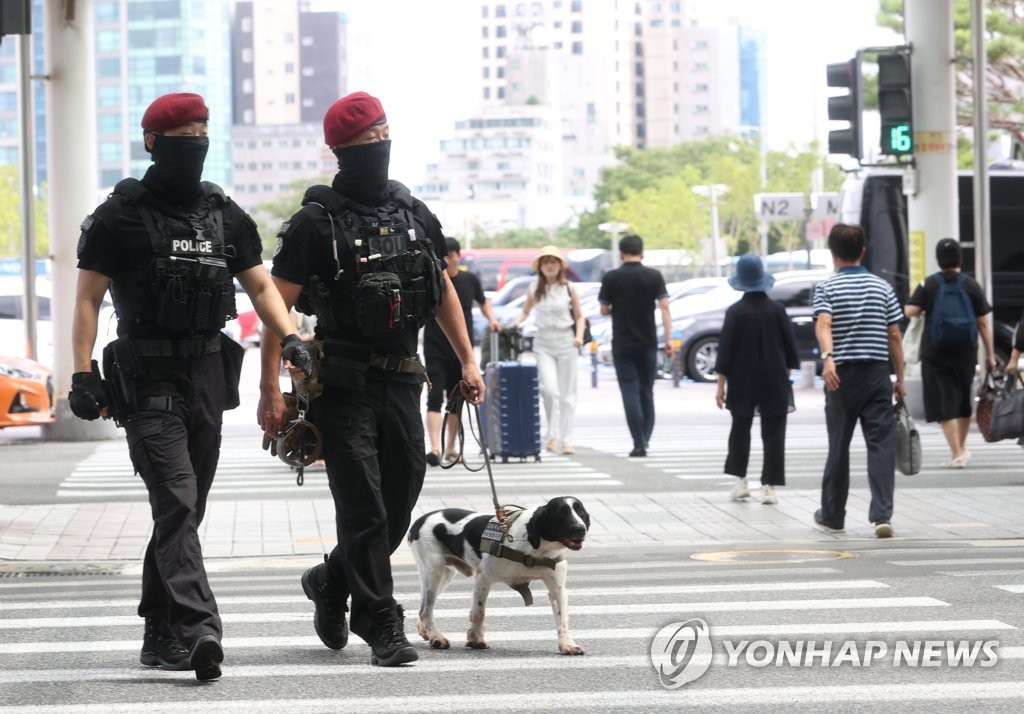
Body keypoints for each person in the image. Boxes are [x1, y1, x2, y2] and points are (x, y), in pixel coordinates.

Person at [69, 93, 311, 681]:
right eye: (182, 132)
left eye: (202, 129)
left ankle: (158, 631)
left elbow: (259, 288)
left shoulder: (222, 213)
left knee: (186, 508)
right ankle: (198, 628)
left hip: (206, 372)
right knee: (176, 499)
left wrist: (293, 338)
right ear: (153, 141)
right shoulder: (118, 215)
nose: (194, 140)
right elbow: (87, 298)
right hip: (146, 374)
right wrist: (79, 373)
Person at [256, 91, 484, 667]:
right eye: (366, 138)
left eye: (384, 132)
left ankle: (331, 580)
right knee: (363, 505)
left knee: (402, 497)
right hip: (341, 383)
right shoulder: (315, 223)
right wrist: (269, 390)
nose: (379, 143)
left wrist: (467, 361)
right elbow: (273, 308)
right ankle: (382, 622)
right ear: (341, 150)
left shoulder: (414, 213)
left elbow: (442, 292)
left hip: (405, 379)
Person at [812, 223, 905, 539]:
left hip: (841, 377)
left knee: (839, 445)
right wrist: (900, 378)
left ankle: (833, 515)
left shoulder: (827, 288)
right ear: (863, 251)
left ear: (832, 252)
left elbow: (824, 323)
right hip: (877, 374)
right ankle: (882, 515)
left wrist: (828, 357)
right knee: (881, 445)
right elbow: (894, 334)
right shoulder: (882, 288)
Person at [714, 254, 799, 505]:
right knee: (773, 432)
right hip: (774, 379)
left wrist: (720, 388)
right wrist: (784, 380)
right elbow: (790, 353)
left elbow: (725, 354)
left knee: (740, 430)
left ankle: (741, 482)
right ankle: (769, 486)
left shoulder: (735, 312)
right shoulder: (777, 310)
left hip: (742, 382)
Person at [905, 238, 995, 468]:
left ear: (938, 260)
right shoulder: (970, 285)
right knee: (963, 399)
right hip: (965, 351)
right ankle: (961, 449)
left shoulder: (929, 284)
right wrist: (991, 355)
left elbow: (910, 310)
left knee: (942, 402)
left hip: (935, 352)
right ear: (960, 259)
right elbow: (984, 323)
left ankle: (957, 452)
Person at [423, 237, 500, 465]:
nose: (447, 259)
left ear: (457, 256)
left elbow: (484, 301)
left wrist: (493, 320)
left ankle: (451, 448)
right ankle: (435, 448)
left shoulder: (469, 280)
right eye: (443, 255)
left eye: (450, 254)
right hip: (434, 346)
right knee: (434, 396)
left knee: (456, 398)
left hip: (460, 350)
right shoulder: (432, 277)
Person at [597, 234, 672, 457]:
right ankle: (645, 438)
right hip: (648, 342)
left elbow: (603, 310)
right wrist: (668, 340)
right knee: (646, 392)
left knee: (629, 392)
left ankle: (638, 442)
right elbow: (665, 308)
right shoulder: (654, 276)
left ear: (621, 254)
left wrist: (617, 309)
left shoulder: (611, 277)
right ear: (642, 252)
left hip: (622, 343)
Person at [509, 245, 586, 455]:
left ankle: (566, 439)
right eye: (546, 262)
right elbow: (525, 312)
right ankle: (551, 435)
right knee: (549, 390)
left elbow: (580, 316)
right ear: (540, 267)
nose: (550, 266)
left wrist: (579, 337)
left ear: (560, 266)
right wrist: (515, 324)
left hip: (567, 342)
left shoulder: (569, 288)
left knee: (568, 394)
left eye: (553, 262)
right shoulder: (534, 288)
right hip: (543, 342)